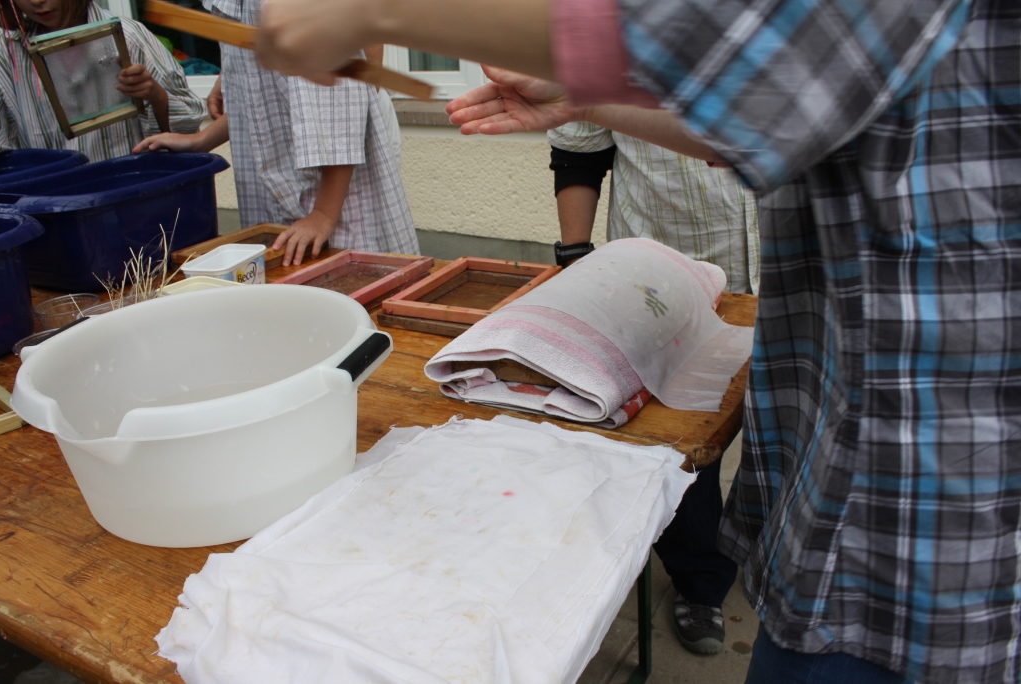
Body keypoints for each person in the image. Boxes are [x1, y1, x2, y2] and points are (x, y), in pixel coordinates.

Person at [253, 1, 1021, 683]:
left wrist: (377, 10)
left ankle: (700, 583)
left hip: (917, 521)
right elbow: (749, 102)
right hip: (856, 457)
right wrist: (587, 102)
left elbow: (719, 48)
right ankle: (701, 571)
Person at [550, 121, 758, 654]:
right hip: (667, 273)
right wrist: (575, 259)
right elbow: (578, 150)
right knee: (682, 435)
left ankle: (768, 551)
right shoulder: (604, 66)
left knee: (785, 424)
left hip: (795, 264)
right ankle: (699, 580)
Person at [134, 0, 417, 268]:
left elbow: (341, 104)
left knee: (355, 279)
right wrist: (202, 139)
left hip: (333, 193)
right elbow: (260, 103)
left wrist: (323, 214)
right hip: (291, 194)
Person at [0, 0, 206, 161]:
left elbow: (187, 135)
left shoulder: (128, 38)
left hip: (130, 191)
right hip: (52, 198)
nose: (36, 2)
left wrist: (157, 96)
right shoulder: (7, 52)